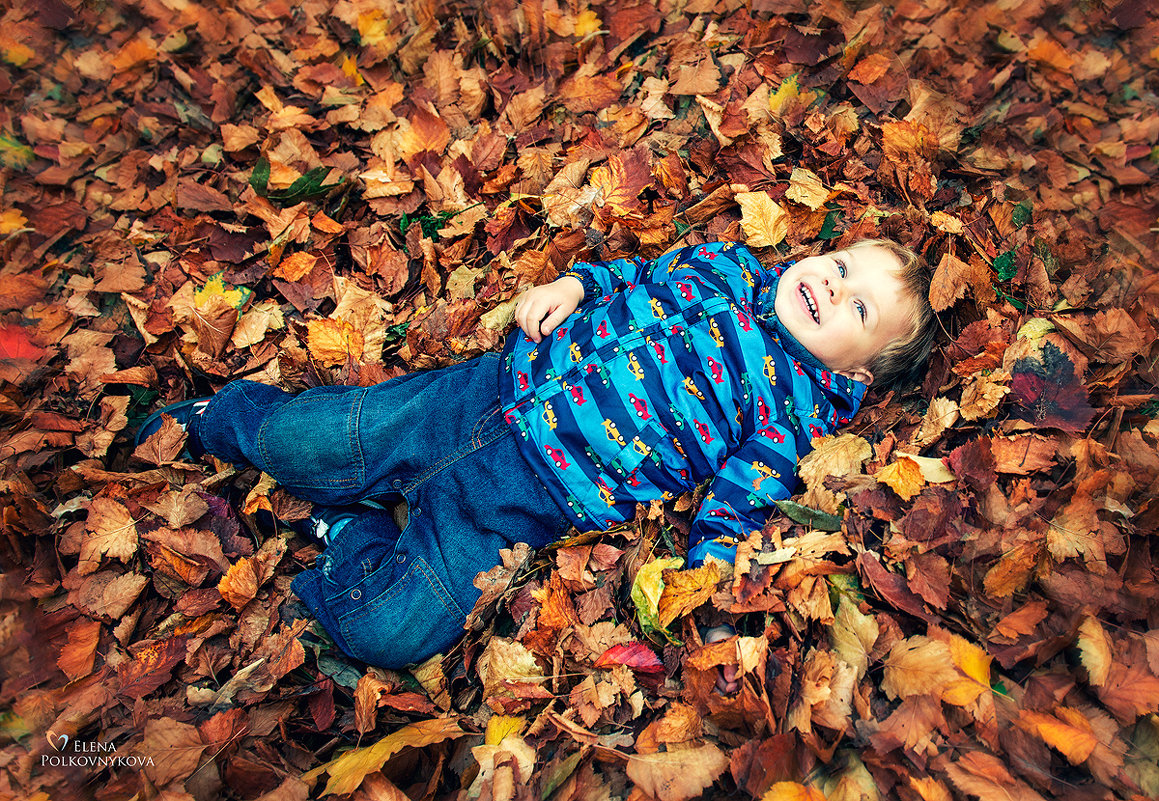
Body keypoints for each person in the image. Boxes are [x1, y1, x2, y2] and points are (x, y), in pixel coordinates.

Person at [137, 237, 936, 673]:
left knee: (392, 630)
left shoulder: (784, 416)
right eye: (838, 266)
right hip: (479, 394)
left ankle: (353, 534)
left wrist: (710, 590)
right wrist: (577, 287)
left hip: (525, 501)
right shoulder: (725, 264)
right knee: (307, 441)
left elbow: (735, 504)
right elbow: (637, 271)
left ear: (854, 372)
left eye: (855, 304)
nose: (829, 287)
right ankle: (220, 419)